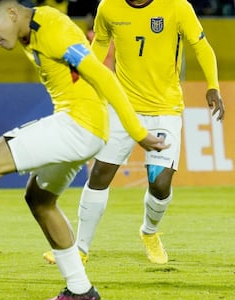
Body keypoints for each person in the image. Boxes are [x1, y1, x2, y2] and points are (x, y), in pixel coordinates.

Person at [0, 0, 169, 300]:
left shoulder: (52, 28)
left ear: (12, 13)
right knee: (40, 200)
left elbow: (103, 76)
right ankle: (80, 288)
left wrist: (138, 133)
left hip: (79, 125)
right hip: (84, 129)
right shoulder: (21, 23)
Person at [43, 0, 225, 266]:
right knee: (99, 174)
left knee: (160, 184)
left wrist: (213, 85)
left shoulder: (177, 7)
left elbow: (201, 46)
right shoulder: (109, 7)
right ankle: (78, 249)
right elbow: (100, 45)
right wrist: (87, 79)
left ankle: (149, 232)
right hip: (123, 107)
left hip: (165, 110)